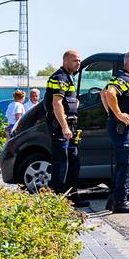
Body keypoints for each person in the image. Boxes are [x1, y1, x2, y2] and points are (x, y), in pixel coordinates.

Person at [102, 51, 129, 213]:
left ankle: (113, 200)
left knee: (122, 164)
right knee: (126, 165)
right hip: (122, 128)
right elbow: (109, 93)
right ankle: (121, 202)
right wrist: (118, 114)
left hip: (125, 127)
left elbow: (108, 94)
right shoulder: (125, 78)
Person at [45, 50, 87, 207]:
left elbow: (66, 101)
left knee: (74, 162)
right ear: (65, 61)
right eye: (75, 60)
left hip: (70, 126)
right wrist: (64, 127)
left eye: (79, 60)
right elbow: (56, 104)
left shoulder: (69, 77)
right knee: (61, 163)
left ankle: (72, 198)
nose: (78, 63)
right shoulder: (60, 77)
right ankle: (56, 200)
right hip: (61, 128)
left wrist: (74, 103)